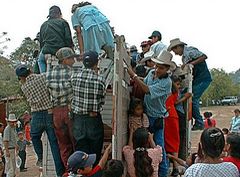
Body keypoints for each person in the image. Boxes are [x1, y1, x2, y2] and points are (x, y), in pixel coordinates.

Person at [125, 50, 175, 177]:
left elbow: (146, 90)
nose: (157, 69)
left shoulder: (166, 83)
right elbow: (145, 83)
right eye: (157, 66)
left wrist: (133, 75)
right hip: (147, 114)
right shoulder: (152, 72)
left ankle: (162, 173)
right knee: (145, 144)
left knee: (159, 147)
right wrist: (135, 77)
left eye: (161, 68)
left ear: (167, 69)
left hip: (157, 117)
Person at [15, 65, 65, 176]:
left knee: (34, 136)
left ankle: (40, 157)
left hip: (36, 115)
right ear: (30, 70)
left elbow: (24, 83)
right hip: (49, 112)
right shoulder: (43, 77)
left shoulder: (24, 87)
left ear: (21, 77)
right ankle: (60, 173)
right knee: (54, 144)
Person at [46, 47, 79, 170]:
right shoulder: (72, 73)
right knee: (75, 141)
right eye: (71, 58)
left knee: (64, 145)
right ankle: (78, 169)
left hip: (56, 112)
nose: (74, 60)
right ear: (65, 60)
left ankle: (68, 169)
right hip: (70, 110)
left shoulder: (49, 74)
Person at [168, 38, 212, 130]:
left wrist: (191, 63)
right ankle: (192, 119)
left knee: (193, 98)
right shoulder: (184, 57)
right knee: (186, 95)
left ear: (179, 47)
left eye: (174, 50)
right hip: (197, 79)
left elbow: (204, 56)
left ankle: (199, 122)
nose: (175, 53)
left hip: (203, 78)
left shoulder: (190, 52)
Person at [71, 51, 106, 164]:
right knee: (94, 153)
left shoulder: (74, 77)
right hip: (93, 119)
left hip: (78, 120)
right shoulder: (100, 80)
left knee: (80, 154)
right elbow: (101, 101)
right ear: (96, 63)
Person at [39, 5, 74, 73]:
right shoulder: (63, 22)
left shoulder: (43, 25)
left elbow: (41, 43)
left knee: (40, 60)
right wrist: (72, 52)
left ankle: (43, 76)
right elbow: (68, 39)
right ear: (59, 14)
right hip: (59, 52)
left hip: (46, 52)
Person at [164, 75, 181, 177]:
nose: (179, 86)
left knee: (165, 142)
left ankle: (168, 166)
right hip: (173, 116)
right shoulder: (174, 91)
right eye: (178, 84)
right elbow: (175, 102)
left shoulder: (163, 88)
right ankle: (175, 167)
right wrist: (186, 97)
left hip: (165, 115)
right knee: (175, 142)